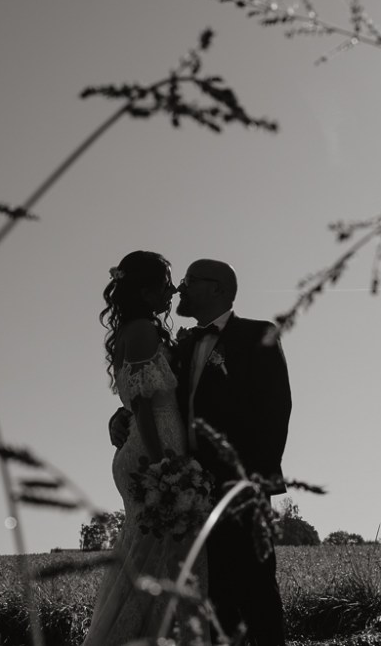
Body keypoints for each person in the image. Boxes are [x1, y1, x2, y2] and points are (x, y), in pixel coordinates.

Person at [110, 258, 292, 646]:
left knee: (257, 592)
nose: (180, 288)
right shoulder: (181, 345)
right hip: (187, 490)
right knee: (212, 598)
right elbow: (149, 394)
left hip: (238, 489)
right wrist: (120, 417)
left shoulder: (257, 336)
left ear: (217, 289)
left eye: (190, 281)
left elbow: (276, 410)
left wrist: (253, 482)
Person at [85, 250, 208, 646]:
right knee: (159, 557)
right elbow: (142, 406)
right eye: (165, 284)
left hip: (154, 450)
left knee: (152, 556)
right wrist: (164, 468)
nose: (172, 291)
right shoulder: (141, 330)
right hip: (153, 454)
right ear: (145, 290)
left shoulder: (139, 330)